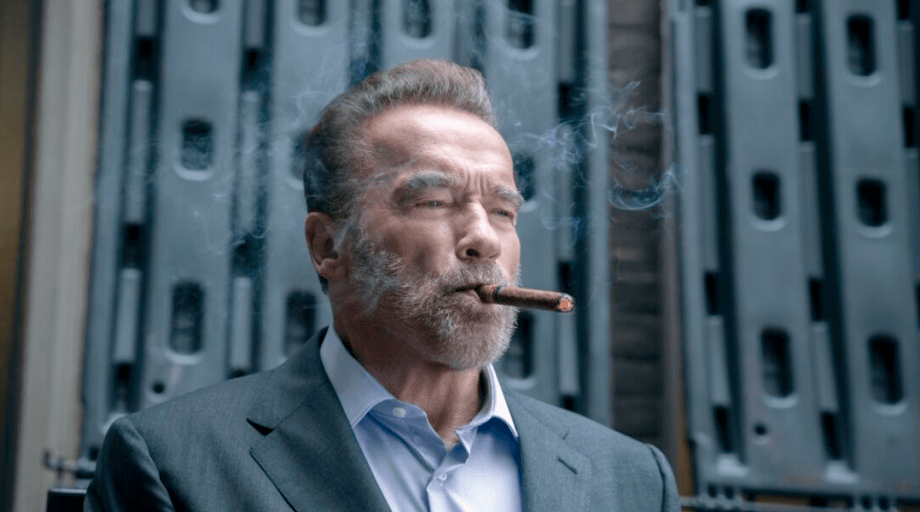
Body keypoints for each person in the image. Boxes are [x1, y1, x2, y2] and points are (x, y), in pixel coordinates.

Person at [85, 58, 680, 511]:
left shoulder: (631, 480)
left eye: (503, 211)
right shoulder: (172, 463)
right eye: (433, 201)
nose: (484, 239)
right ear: (328, 247)